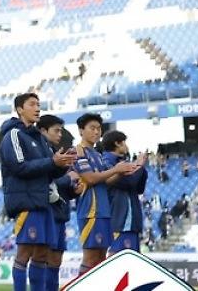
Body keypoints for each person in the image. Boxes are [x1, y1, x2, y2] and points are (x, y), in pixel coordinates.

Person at [0, 94, 75, 291]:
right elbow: (19, 167)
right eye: (32, 104)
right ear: (19, 109)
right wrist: (52, 162)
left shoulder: (40, 139)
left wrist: (62, 164)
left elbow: (50, 171)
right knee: (24, 253)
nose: (37, 108)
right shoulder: (13, 135)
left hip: (43, 201)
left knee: (41, 254)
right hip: (26, 201)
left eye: (39, 105)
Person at [73, 113, 136, 274]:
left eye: (99, 129)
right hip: (90, 211)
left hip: (103, 211)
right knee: (90, 257)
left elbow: (104, 182)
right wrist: (115, 169)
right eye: (92, 128)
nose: (96, 132)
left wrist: (121, 173)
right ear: (81, 131)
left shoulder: (98, 155)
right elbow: (90, 178)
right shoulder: (78, 152)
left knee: (101, 259)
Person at [37, 114, 76, 291]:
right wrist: (68, 179)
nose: (59, 134)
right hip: (48, 212)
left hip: (61, 212)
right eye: (57, 130)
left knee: (56, 260)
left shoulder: (54, 153)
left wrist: (73, 191)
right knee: (45, 257)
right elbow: (44, 183)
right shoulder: (41, 154)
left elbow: (58, 186)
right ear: (44, 131)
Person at [100, 130, 148, 255]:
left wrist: (141, 168)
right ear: (117, 143)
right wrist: (139, 165)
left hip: (130, 222)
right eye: (124, 142)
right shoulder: (106, 163)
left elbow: (139, 188)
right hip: (120, 221)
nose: (127, 146)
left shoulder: (123, 163)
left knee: (132, 264)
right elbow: (128, 182)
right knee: (118, 261)